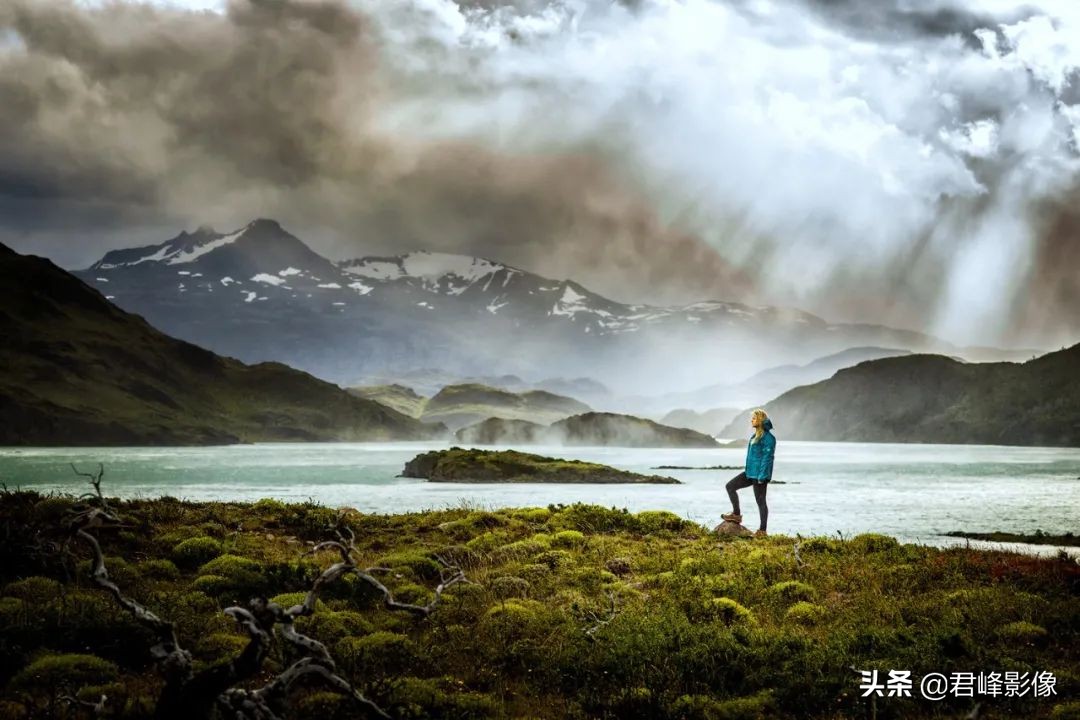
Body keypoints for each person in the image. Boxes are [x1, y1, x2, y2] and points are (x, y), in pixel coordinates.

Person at [721, 408, 776, 537]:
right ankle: (736, 515)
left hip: (760, 475)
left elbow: (767, 458)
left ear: (760, 420)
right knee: (730, 486)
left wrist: (762, 476)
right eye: (752, 418)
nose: (751, 420)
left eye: (754, 418)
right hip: (749, 472)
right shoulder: (754, 435)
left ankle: (762, 531)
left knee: (761, 501)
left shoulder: (769, 438)